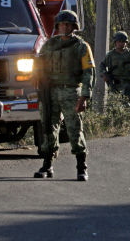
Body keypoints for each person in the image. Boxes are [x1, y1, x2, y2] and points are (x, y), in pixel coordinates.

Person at [34, 10, 94, 181]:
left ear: (74, 27)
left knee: (74, 129)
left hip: (71, 91)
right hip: (50, 92)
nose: (65, 27)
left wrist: (84, 96)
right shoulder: (50, 44)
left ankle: (81, 167)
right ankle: (47, 165)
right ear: (57, 26)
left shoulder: (81, 46)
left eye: (68, 24)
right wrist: (37, 81)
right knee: (48, 128)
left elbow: (89, 72)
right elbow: (39, 65)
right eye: (62, 24)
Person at [101, 31, 130, 107]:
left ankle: (129, 119)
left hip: (128, 85)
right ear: (115, 42)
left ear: (126, 43)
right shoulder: (110, 55)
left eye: (123, 42)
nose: (121, 43)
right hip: (114, 85)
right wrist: (104, 74)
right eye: (119, 41)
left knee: (126, 105)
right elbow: (102, 65)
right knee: (112, 106)